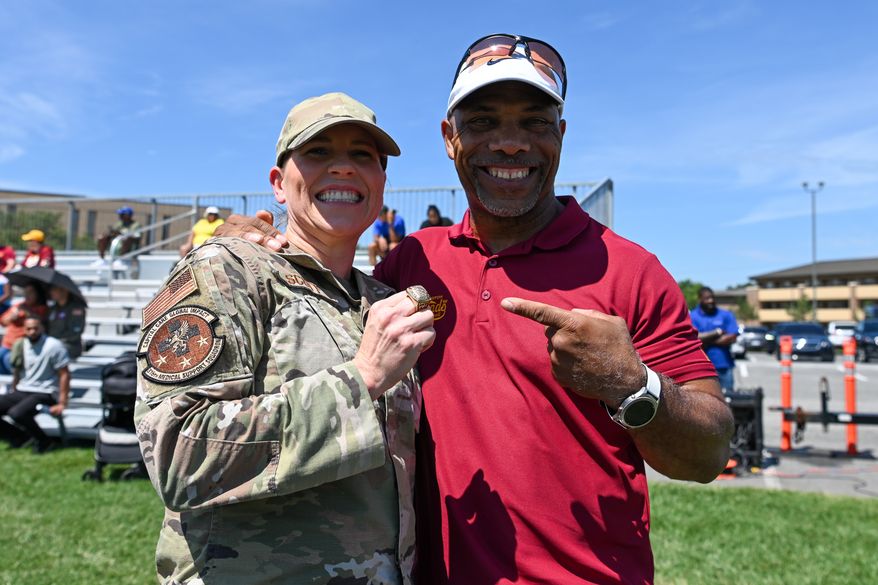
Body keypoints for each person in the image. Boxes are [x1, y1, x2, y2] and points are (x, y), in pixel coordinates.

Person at [219, 34, 734, 584]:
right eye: (483, 122)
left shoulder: (629, 269)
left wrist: (633, 386)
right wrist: (248, 240)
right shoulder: (415, 260)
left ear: (560, 136)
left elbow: (706, 455)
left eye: (535, 122)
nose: (511, 144)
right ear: (450, 138)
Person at [134, 92, 435, 584]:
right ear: (278, 183)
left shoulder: (382, 299)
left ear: (382, 184)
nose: (342, 168)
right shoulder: (228, 271)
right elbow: (177, 455)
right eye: (318, 152)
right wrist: (361, 381)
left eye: (363, 155)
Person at [0, 317, 70, 453]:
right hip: (23, 389)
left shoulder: (53, 346)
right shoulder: (21, 345)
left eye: (35, 328)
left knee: (16, 413)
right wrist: (14, 390)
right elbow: (17, 371)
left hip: (46, 392)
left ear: (42, 328)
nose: (32, 332)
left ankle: (44, 441)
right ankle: (19, 437)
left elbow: (64, 374)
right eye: (29, 329)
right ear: (24, 330)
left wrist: (62, 402)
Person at [690, 286, 739, 390]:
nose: (711, 301)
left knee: (728, 399)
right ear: (700, 299)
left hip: (724, 365)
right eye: (707, 298)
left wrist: (706, 340)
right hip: (702, 367)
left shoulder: (726, 315)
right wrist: (718, 333)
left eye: (712, 298)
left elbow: (732, 337)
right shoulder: (692, 316)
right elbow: (693, 338)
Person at [0, 283, 49, 375]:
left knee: (9, 360)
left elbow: (41, 323)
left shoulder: (42, 308)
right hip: (7, 343)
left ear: (38, 293)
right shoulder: (19, 305)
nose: (27, 295)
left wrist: (27, 312)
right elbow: (3, 321)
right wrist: (11, 317)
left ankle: (15, 384)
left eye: (30, 292)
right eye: (25, 292)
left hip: (23, 346)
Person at [47, 286, 87, 361]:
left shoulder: (76, 309)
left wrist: (56, 343)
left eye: (54, 289)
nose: (51, 292)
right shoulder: (52, 309)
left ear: (64, 291)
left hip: (70, 346)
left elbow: (75, 333)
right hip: (52, 344)